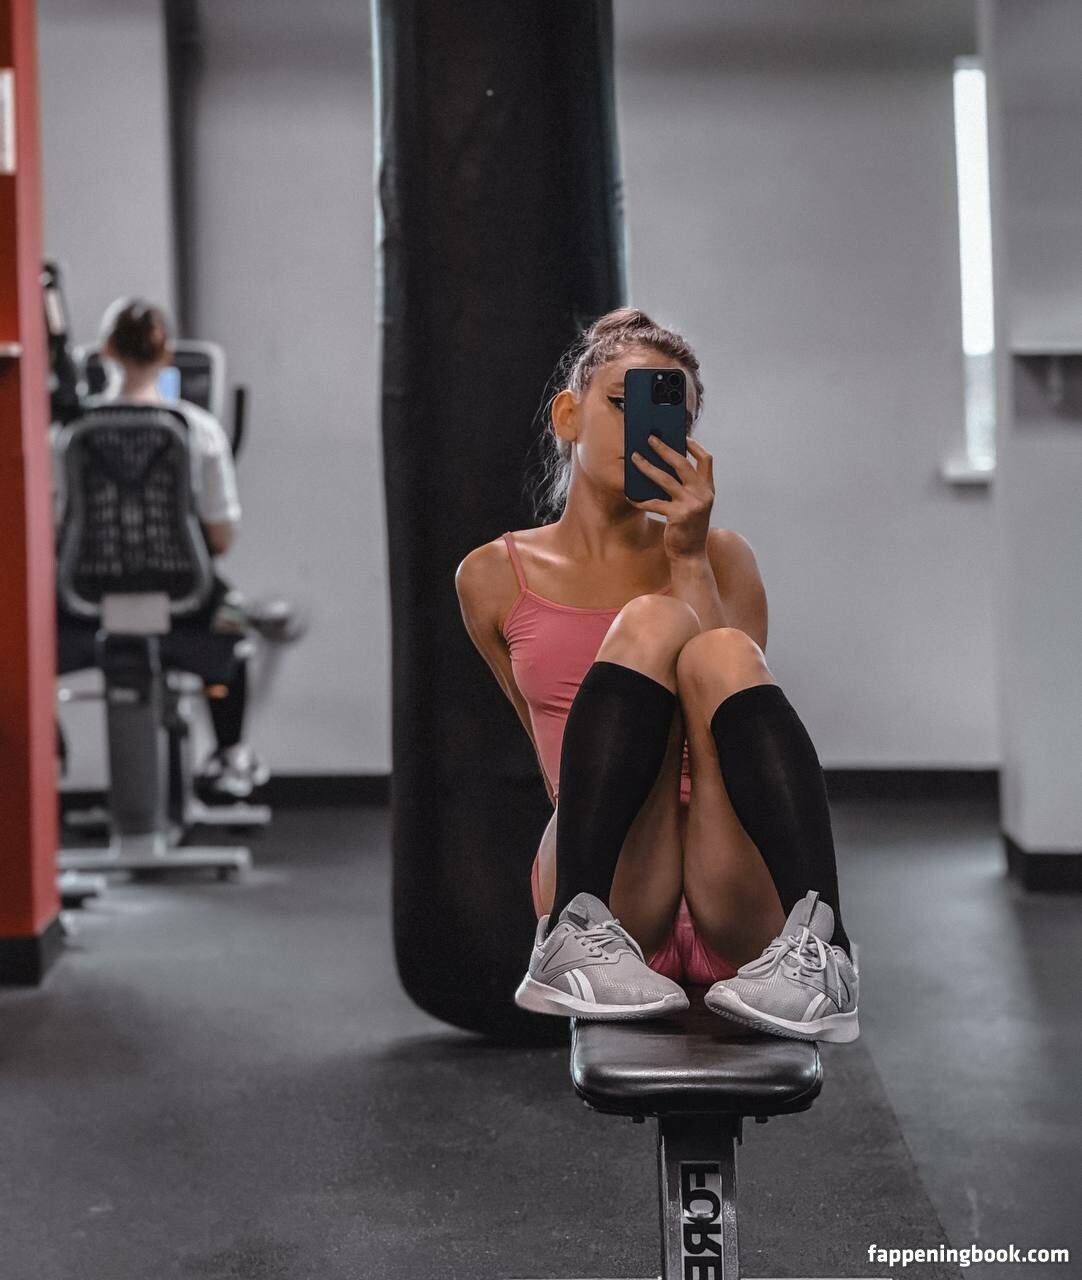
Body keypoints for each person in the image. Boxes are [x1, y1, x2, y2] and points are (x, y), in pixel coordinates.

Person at [454, 307, 859, 1043]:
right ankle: (572, 930)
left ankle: (824, 949)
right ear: (568, 415)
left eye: (675, 417)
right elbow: (551, 753)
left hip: (728, 877)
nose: (646, 429)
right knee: (649, 622)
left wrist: (688, 555)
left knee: (715, 650)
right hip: (614, 882)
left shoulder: (724, 557)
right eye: (623, 403)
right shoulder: (492, 575)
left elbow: (723, 724)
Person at [53, 298, 269, 802]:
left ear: (105, 351)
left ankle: (46, 743)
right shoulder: (199, 430)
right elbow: (220, 539)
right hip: (186, 606)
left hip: (82, 606)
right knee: (234, 620)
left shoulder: (66, 434)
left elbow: (49, 529)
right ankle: (230, 752)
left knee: (21, 631)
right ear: (166, 354)